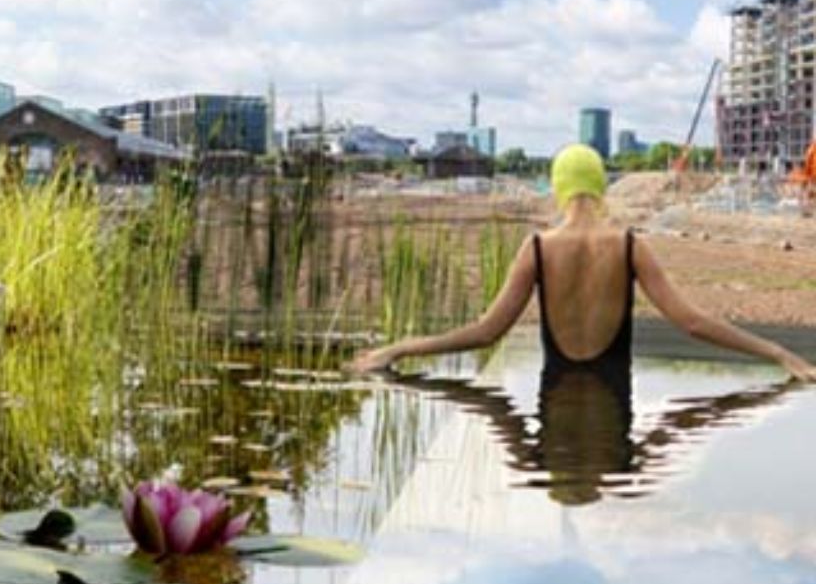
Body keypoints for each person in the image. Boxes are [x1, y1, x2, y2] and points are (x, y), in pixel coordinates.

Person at [349, 143, 816, 381]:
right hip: (614, 401)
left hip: (556, 403)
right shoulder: (631, 245)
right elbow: (693, 323)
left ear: (558, 186)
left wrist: (399, 348)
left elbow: (485, 332)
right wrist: (779, 353)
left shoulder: (537, 248)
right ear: (600, 185)